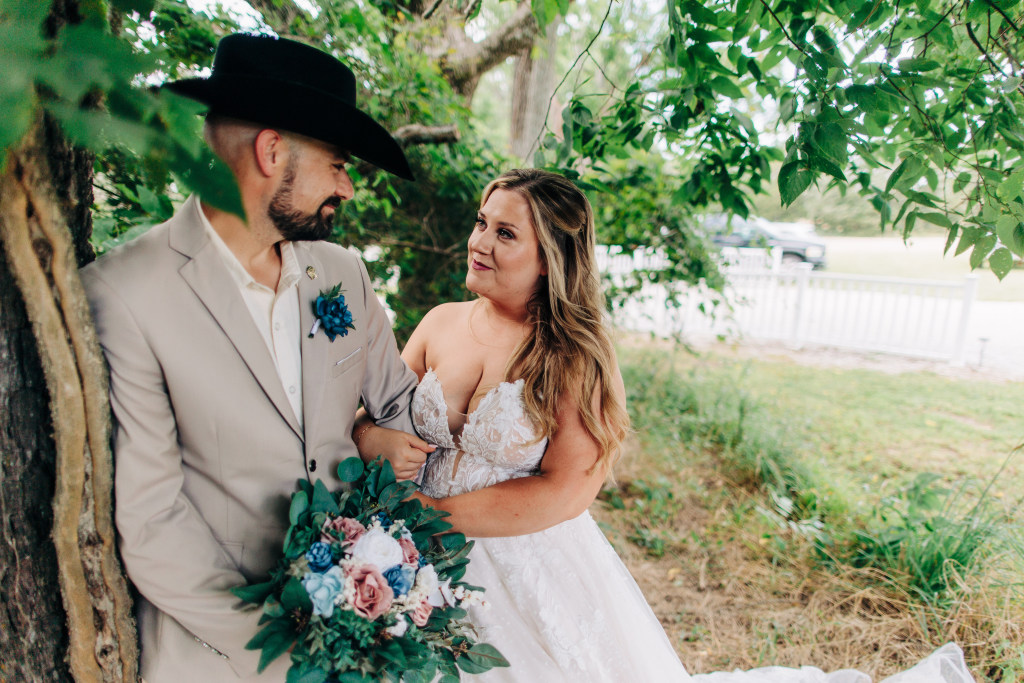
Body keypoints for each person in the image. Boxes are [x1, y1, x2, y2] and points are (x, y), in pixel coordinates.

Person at [355, 168, 976, 682]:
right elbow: (379, 415)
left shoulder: (573, 357)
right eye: (481, 223)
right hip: (405, 553)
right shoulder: (440, 321)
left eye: (505, 234)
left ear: (550, 260)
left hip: (517, 560)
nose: (480, 242)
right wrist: (373, 438)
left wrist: (433, 517)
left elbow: (567, 491)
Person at [82, 33, 432, 683]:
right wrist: (299, 650)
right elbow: (153, 523)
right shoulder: (124, 294)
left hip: (361, 640)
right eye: (336, 163)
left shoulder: (343, 274)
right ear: (273, 152)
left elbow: (405, 406)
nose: (348, 188)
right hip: (217, 656)